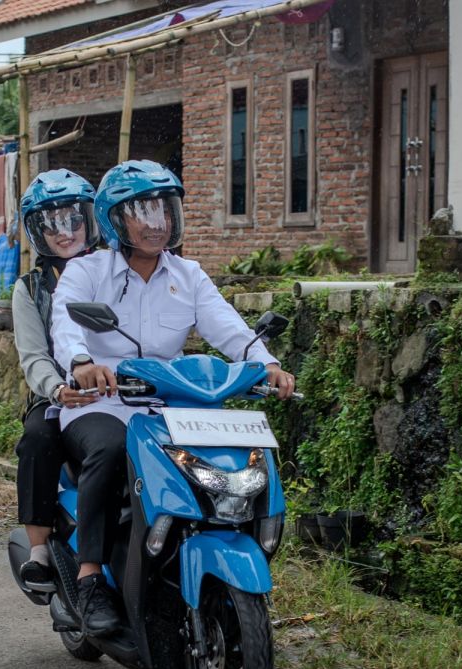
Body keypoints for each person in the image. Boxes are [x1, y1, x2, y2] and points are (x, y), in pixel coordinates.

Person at [50, 160, 296, 636]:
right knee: (108, 451)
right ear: (115, 220)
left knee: (229, 460)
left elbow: (228, 327)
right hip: (103, 402)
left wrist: (264, 363)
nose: (156, 222)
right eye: (142, 211)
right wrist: (82, 363)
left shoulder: (189, 275)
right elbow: (65, 321)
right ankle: (89, 579)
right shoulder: (86, 271)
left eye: (163, 209)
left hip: (174, 407)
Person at [11, 169, 101, 587]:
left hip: (121, 391)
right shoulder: (30, 289)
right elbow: (33, 357)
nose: (65, 232)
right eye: (51, 225)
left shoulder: (114, 269)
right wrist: (59, 389)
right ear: (37, 232)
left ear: (90, 219)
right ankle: (39, 549)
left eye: (73, 220)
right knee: (37, 439)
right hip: (56, 395)